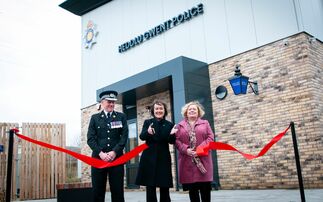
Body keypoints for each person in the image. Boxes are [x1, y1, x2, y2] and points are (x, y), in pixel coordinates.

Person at [87, 90, 128, 202]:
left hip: (116, 159)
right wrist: (101, 153)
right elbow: (90, 139)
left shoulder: (121, 117)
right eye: (109, 102)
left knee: (118, 192)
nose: (111, 104)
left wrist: (114, 152)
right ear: (102, 102)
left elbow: (124, 137)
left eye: (113, 102)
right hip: (98, 159)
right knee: (98, 192)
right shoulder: (95, 118)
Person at [135, 100, 177, 202]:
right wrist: (148, 132)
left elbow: (171, 142)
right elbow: (142, 137)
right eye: (157, 109)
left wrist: (172, 134)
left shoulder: (169, 124)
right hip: (149, 158)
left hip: (163, 158)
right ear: (153, 111)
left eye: (161, 108)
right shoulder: (148, 122)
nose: (159, 110)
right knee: (150, 188)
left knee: (164, 187)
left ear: (164, 110)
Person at [175, 101, 215, 202]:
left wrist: (199, 149)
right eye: (190, 109)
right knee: (192, 192)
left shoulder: (205, 123)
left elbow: (210, 138)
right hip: (187, 162)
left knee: (205, 191)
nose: (192, 110)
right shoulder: (179, 126)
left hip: (203, 161)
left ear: (198, 112)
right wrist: (186, 149)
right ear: (186, 112)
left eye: (194, 109)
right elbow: (176, 140)